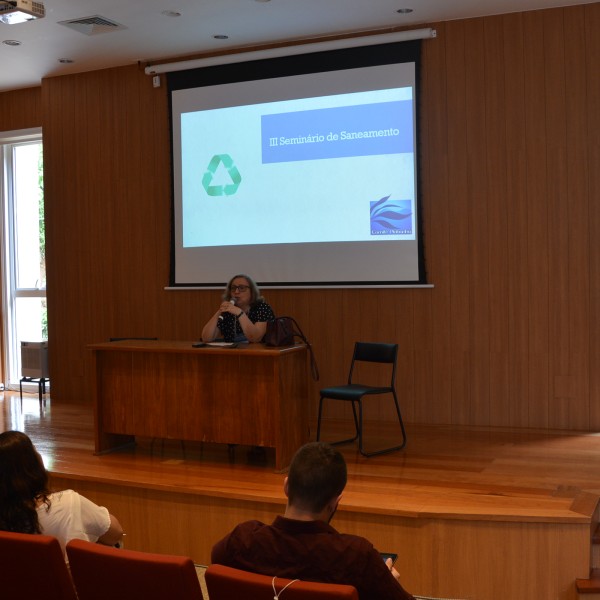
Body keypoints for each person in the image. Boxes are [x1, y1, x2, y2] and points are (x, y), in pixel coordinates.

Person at [211, 441, 415, 600]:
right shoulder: (357, 557)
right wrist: (387, 581)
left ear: (286, 486)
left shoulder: (242, 540)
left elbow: (218, 565)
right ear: (335, 502)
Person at [0, 430, 123, 557]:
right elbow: (116, 533)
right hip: (71, 576)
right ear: (31, 467)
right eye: (35, 451)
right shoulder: (67, 503)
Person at [201, 274, 275, 343]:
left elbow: (255, 338)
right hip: (232, 354)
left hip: (258, 354)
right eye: (233, 288)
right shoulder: (227, 311)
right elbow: (206, 338)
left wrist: (240, 313)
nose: (236, 292)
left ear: (252, 291)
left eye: (241, 288)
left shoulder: (262, 308)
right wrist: (219, 311)